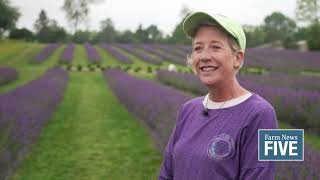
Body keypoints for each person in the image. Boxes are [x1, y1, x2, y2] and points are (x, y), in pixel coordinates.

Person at [158, 11, 278, 180]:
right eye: (198, 48)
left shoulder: (263, 113)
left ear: (237, 58)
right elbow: (167, 172)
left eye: (215, 47)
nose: (204, 56)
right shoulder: (188, 109)